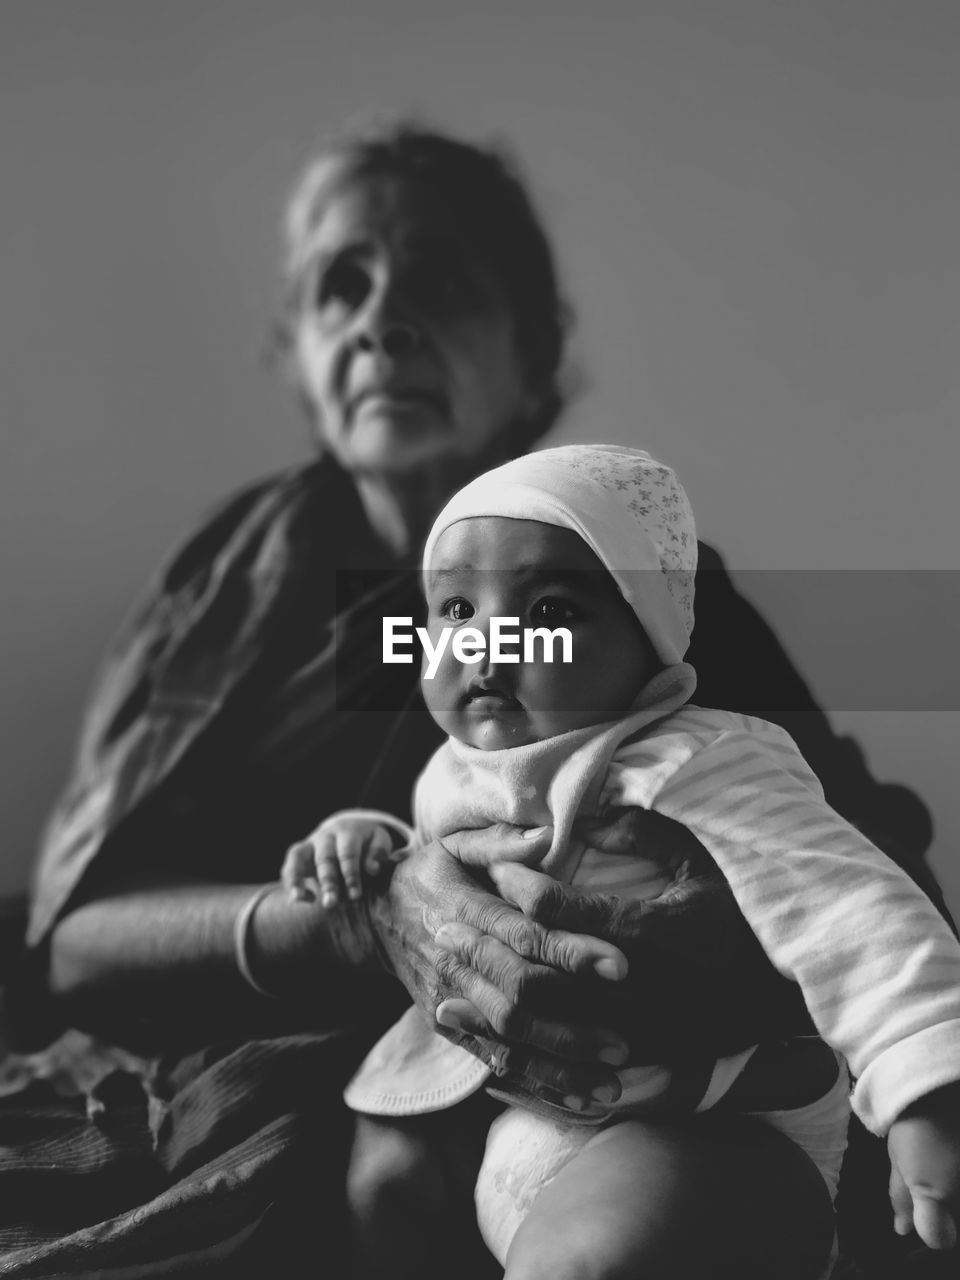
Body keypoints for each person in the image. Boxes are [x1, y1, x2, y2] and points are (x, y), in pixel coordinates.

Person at [0, 122, 944, 1276]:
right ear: (296, 350)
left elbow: (868, 866)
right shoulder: (226, 585)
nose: (381, 319)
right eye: (340, 285)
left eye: (440, 281)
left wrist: (691, 946)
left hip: (590, 1096)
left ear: (537, 358)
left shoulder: (649, 601)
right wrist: (377, 909)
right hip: (310, 1070)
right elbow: (78, 943)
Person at [284, 444, 960, 1280]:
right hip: (515, 1115)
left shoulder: (700, 760)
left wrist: (927, 1090)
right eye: (456, 608)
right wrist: (361, 840)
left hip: (709, 1127)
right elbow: (432, 872)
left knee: (585, 1264)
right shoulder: (454, 773)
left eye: (550, 613)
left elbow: (853, 905)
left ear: (648, 641)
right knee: (381, 1182)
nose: (488, 643)